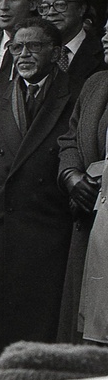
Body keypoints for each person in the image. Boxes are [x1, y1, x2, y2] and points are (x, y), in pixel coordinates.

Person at [0, 18, 75, 357]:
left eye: (34, 46)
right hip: (0, 233)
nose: (24, 55)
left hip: (48, 233)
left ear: (56, 53)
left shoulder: (75, 95)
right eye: (16, 47)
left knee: (40, 339)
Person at [57, 27, 108, 343]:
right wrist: (71, 176)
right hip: (92, 224)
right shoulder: (96, 84)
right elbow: (70, 140)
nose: (105, 38)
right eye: (105, 31)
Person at [38, 0, 107, 101]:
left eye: (60, 5)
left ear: (81, 9)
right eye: (45, 7)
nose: (51, 12)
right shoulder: (35, 52)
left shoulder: (102, 52)